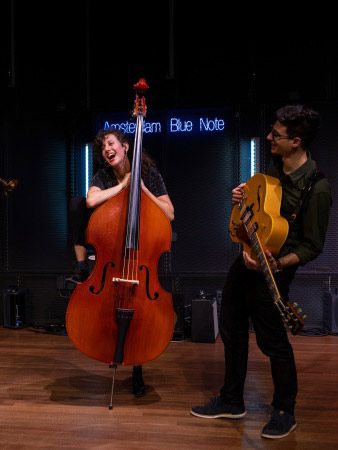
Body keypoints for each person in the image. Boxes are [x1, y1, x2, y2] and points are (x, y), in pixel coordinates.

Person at [190, 105, 332, 439]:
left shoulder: (318, 188)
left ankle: (285, 410)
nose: (269, 138)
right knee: (232, 328)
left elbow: (313, 246)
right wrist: (240, 206)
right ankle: (231, 399)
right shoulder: (274, 166)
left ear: (296, 141)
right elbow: (255, 214)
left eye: (277, 135)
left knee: (274, 343)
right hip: (244, 264)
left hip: (276, 272)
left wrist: (276, 263)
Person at [68, 128, 174, 397]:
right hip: (114, 255)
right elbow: (91, 199)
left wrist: (141, 189)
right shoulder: (103, 176)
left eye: (111, 143)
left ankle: (138, 366)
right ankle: (82, 267)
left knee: (142, 306)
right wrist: (124, 186)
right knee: (76, 204)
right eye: (103, 147)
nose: (107, 150)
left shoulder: (149, 174)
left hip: (140, 258)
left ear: (126, 147)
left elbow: (169, 213)